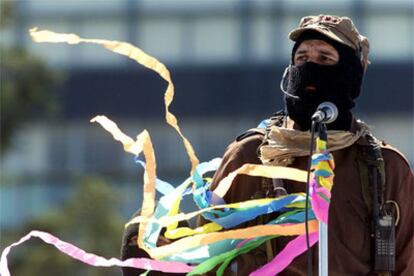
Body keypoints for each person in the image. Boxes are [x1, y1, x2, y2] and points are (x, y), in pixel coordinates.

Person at [120, 15, 413, 275]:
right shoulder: (250, 156)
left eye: (325, 59)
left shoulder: (384, 167)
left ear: (351, 76)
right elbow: (211, 255)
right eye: (302, 59)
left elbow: (406, 261)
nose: (310, 67)